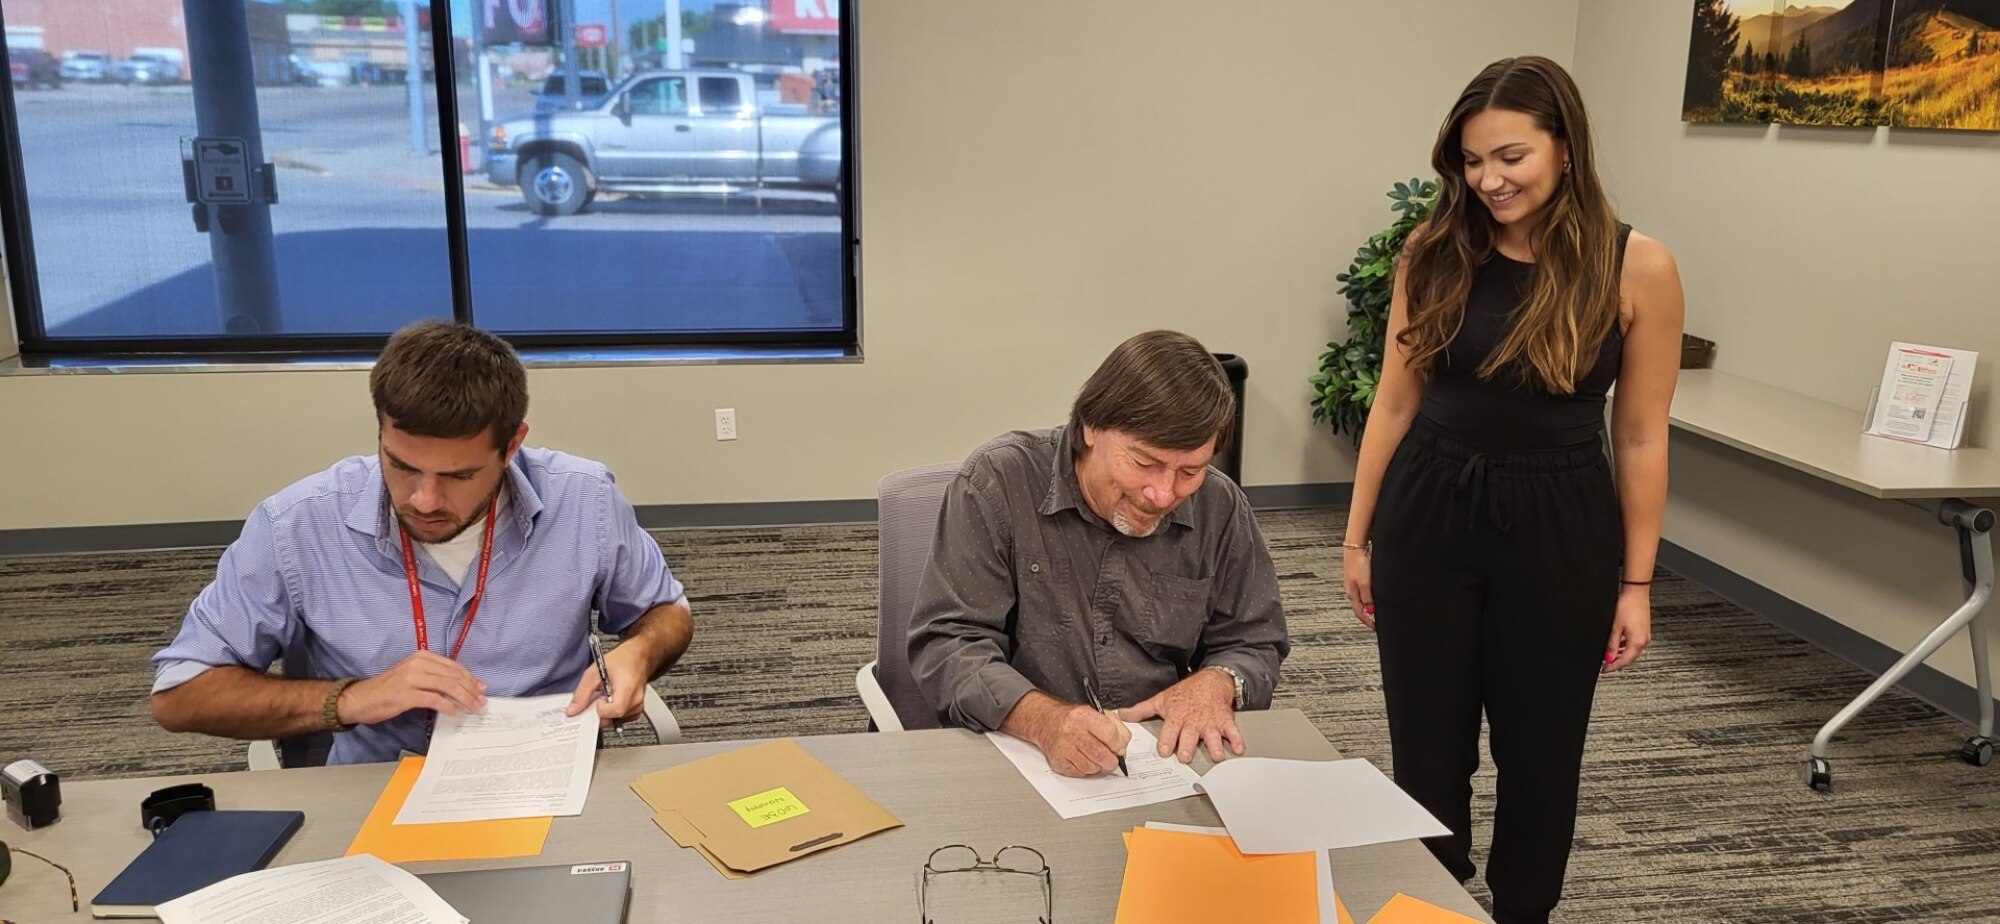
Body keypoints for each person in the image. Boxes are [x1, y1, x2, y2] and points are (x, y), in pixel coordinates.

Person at [1340, 56, 1684, 924]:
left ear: (1565, 148)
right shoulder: (1435, 250)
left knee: (1541, 753)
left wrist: (1636, 582)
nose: (1488, 179)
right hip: (1428, 508)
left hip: (1561, 520)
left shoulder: (1637, 266)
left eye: (1510, 156)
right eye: (1470, 160)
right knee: (1426, 748)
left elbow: (1640, 435)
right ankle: (1433, 905)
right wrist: (1356, 538)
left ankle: (1523, 911)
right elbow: (1394, 399)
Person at [150, 321, 695, 765]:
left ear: (512, 446)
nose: (425, 500)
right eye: (402, 466)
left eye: (458, 476)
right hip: (376, 789)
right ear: (381, 433)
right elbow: (181, 694)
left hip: (543, 777)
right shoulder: (296, 525)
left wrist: (638, 654)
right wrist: (354, 699)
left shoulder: (585, 500)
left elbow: (665, 611)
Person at [907, 330, 1289, 778]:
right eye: (1144, 462)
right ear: (1090, 427)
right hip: (1017, 748)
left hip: (1159, 759)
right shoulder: (998, 483)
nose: (1163, 494)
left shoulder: (1219, 506)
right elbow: (949, 642)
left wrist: (1219, 681)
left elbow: (1255, 639)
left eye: (1190, 470)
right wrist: (1043, 720)